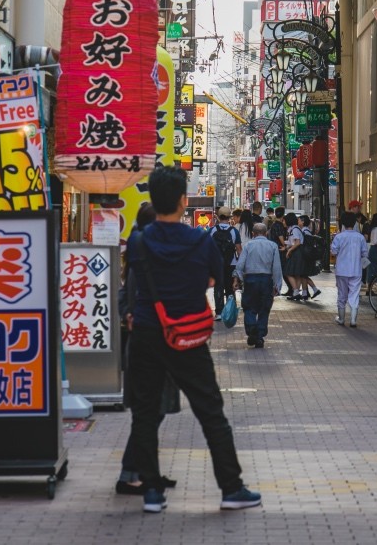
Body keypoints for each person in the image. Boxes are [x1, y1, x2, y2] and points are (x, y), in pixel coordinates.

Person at [127, 166, 262, 513]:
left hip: (146, 332)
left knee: (144, 412)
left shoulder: (139, 241)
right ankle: (231, 488)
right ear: (183, 201)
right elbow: (215, 279)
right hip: (188, 335)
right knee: (210, 412)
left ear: (153, 200)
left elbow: (135, 280)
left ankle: (152, 492)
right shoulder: (200, 241)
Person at [117, 203, 179, 495]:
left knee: (151, 413)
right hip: (150, 345)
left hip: (153, 342)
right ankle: (130, 476)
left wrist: (127, 312)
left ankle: (145, 471)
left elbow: (124, 295)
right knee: (149, 414)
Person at [232, 222, 282, 348]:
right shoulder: (273, 246)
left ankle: (251, 330)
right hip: (266, 280)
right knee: (264, 308)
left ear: (253, 233)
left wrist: (236, 279)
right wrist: (277, 285)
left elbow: (240, 264)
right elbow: (276, 267)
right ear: (266, 233)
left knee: (249, 307)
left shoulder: (248, 245)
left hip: (250, 279)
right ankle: (259, 336)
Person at [330, 211, 369, 328]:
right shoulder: (360, 237)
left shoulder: (339, 237)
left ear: (343, 223)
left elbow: (333, 252)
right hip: (356, 270)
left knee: (342, 295)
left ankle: (341, 319)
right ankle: (353, 320)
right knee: (354, 294)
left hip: (342, 270)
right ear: (354, 222)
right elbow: (365, 253)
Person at [209, 207, 242, 319]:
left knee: (218, 287)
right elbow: (239, 249)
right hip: (231, 264)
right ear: (229, 217)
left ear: (218, 217)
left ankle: (219, 313)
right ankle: (229, 313)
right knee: (230, 288)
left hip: (216, 264)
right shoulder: (234, 231)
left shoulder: (212, 230)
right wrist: (241, 264)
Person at [267, 206, 292, 295]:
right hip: (280, 250)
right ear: (283, 215)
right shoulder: (279, 225)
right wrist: (286, 246)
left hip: (276, 249)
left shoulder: (274, 225)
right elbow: (281, 239)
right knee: (283, 270)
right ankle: (291, 288)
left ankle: (291, 288)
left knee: (280, 270)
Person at [283, 212, 307, 301]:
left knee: (288, 272)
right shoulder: (293, 229)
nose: (283, 222)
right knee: (297, 274)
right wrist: (286, 247)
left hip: (297, 253)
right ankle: (296, 292)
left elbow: (297, 242)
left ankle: (296, 291)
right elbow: (292, 242)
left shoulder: (295, 229)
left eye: (284, 220)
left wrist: (289, 250)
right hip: (298, 253)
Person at [298, 215, 321, 300]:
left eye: (299, 220)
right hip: (306, 255)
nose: (298, 222)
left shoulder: (305, 231)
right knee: (303, 274)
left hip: (306, 255)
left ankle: (314, 289)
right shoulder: (306, 230)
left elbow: (306, 244)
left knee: (303, 274)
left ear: (303, 222)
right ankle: (305, 293)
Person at [366, 213, 377, 284]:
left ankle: (371, 283)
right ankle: (376, 283)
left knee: (372, 268)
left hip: (372, 249)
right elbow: (375, 241)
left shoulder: (373, 228)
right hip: (375, 249)